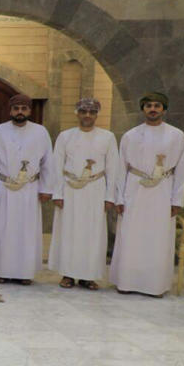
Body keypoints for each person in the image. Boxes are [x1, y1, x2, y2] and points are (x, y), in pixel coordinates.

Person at [109, 92, 184, 297]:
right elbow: (121, 169)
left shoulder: (176, 135)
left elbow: (181, 170)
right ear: (143, 109)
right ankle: (127, 282)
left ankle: (155, 285)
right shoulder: (130, 135)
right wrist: (119, 198)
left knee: (158, 238)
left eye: (157, 106)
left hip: (163, 192)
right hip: (134, 191)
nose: (153, 109)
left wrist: (176, 199)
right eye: (149, 106)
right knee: (131, 237)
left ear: (164, 109)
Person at [48, 98, 120, 290]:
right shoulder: (65, 136)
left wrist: (109, 197)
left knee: (93, 233)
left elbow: (114, 168)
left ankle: (89, 276)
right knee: (69, 231)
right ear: (77, 113)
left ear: (97, 114)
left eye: (92, 112)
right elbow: (56, 165)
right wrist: (58, 193)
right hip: (70, 190)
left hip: (95, 190)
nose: (87, 115)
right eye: (83, 111)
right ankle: (68, 274)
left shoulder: (108, 137)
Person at [0, 94, 53, 286]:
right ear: (10, 110)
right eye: (16, 108)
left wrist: (46, 188)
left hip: (30, 189)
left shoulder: (41, 132)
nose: (20, 112)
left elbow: (48, 162)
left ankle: (25, 272)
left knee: (26, 230)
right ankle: (1, 271)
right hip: (3, 188)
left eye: (23, 108)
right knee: (2, 229)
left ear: (29, 111)